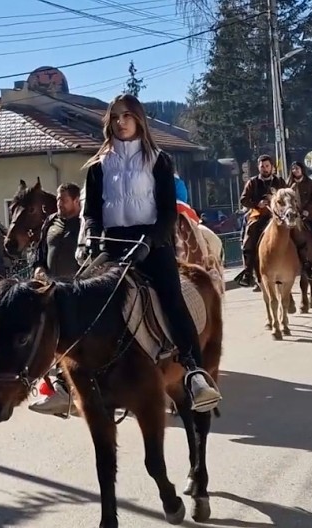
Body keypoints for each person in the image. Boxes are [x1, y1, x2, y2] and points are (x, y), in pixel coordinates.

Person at [76, 94, 221, 412]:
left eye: (127, 115)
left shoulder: (159, 160)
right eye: (115, 117)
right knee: (77, 296)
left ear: (139, 119)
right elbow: (92, 212)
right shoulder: (98, 165)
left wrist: (150, 240)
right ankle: (62, 380)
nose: (121, 122)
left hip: (153, 243)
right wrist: (94, 237)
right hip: (113, 243)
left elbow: (168, 212)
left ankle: (194, 372)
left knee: (172, 300)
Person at [28, 182, 84, 417]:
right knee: (50, 338)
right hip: (51, 291)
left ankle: (67, 390)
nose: (59, 204)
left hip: (78, 293)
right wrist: (38, 267)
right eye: (58, 199)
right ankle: (59, 389)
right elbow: (39, 253)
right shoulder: (51, 222)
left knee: (71, 340)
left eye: (64, 200)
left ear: (76, 201)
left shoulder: (84, 224)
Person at [233, 155, 287, 288]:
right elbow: (243, 199)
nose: (265, 169)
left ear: (272, 167)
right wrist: (257, 203)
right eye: (262, 166)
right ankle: (248, 271)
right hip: (259, 215)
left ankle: (305, 261)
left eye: (267, 166)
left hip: (277, 216)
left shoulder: (279, 181)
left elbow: (287, 196)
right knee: (250, 234)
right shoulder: (252, 182)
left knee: (296, 230)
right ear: (258, 167)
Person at [286, 162, 312, 280]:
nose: (295, 171)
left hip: (309, 216)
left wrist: (307, 210)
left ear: (302, 169)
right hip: (293, 217)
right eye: (293, 169)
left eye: (297, 168)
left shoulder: (310, 183)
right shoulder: (288, 184)